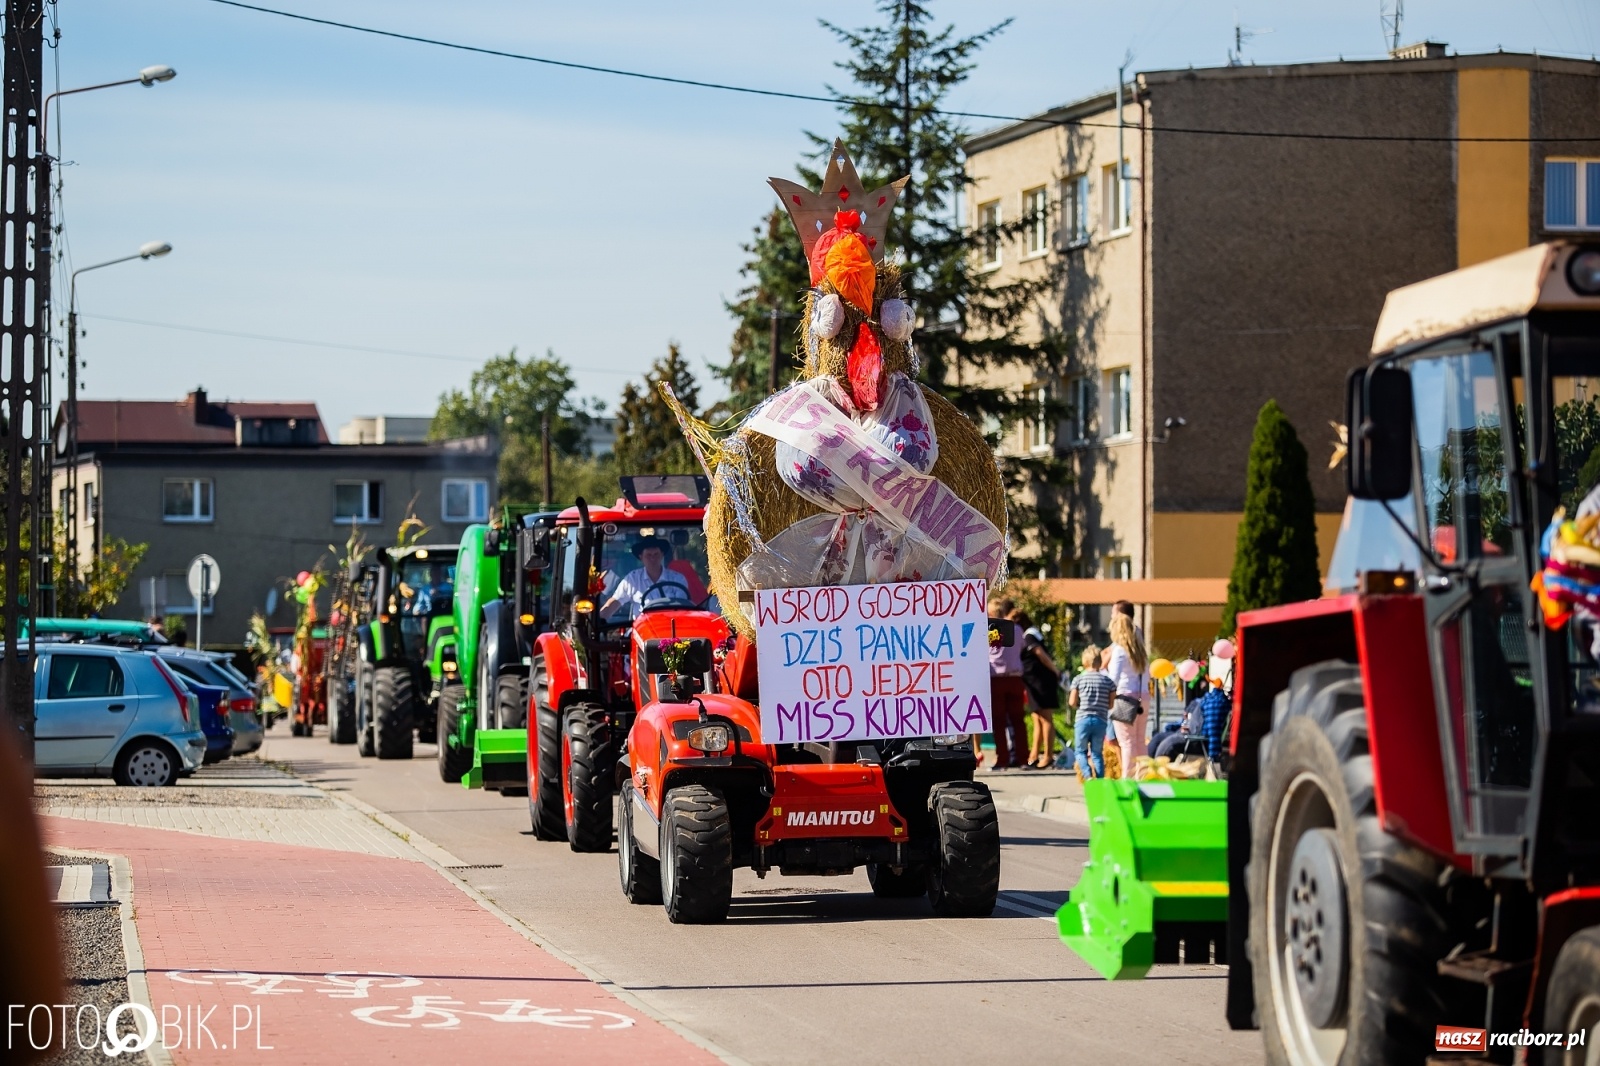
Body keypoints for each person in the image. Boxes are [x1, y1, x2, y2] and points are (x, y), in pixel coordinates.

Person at [599, 536, 692, 620]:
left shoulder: (677, 579)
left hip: (670, 630)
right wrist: (600, 619)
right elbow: (616, 600)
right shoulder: (632, 579)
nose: (653, 558)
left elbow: (682, 608)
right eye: (648, 555)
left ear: (662, 555)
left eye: (656, 554)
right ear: (641, 557)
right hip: (642, 631)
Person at [1013, 609, 1060, 769]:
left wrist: (1055, 670)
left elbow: (1040, 653)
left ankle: (1048, 756)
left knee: (1045, 718)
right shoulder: (1030, 634)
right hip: (1033, 682)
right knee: (1037, 718)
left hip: (1041, 681)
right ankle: (1034, 755)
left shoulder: (1029, 635)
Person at [1104, 613, 1150, 778]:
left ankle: (1128, 779)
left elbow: (1113, 679)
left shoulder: (1119, 651)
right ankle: (1143, 776)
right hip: (1143, 697)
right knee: (1139, 740)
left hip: (1125, 698)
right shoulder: (1140, 651)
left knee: (1126, 742)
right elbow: (1148, 676)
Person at [986, 596, 1027, 769]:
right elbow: (1022, 647)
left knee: (999, 721)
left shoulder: (992, 629)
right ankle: (1023, 759)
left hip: (997, 679)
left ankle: (1002, 759)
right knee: (1018, 720)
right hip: (1016, 678)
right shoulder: (1017, 629)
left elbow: (992, 651)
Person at [1068, 644, 1114, 778]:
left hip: (1083, 720)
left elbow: (1072, 702)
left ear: (1085, 661)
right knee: (1097, 753)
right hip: (1100, 721)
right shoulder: (1108, 681)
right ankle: (1099, 781)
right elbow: (1111, 705)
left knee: (1080, 751)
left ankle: (1088, 775)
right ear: (1100, 662)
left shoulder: (1078, 679)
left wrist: (1080, 704)